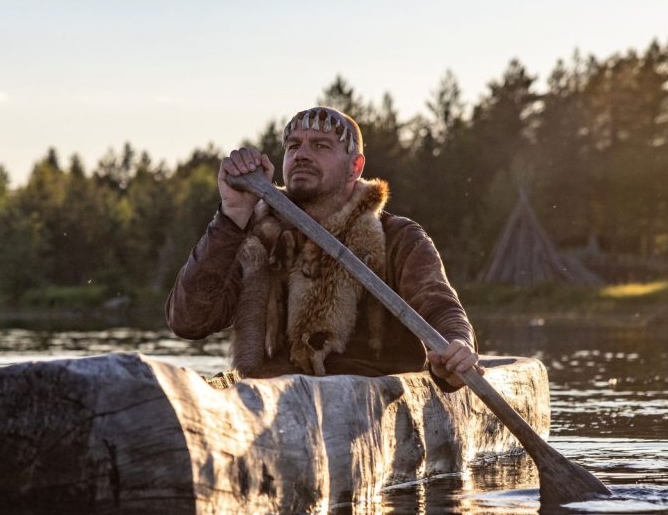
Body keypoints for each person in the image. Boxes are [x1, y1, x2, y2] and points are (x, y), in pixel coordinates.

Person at [166, 106, 479, 389]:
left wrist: (457, 350)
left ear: (355, 167)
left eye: (320, 145)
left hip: (369, 412)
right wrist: (232, 214)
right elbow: (189, 321)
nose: (301, 154)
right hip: (273, 408)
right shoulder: (257, 240)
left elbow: (440, 307)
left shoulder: (399, 238)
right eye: (293, 146)